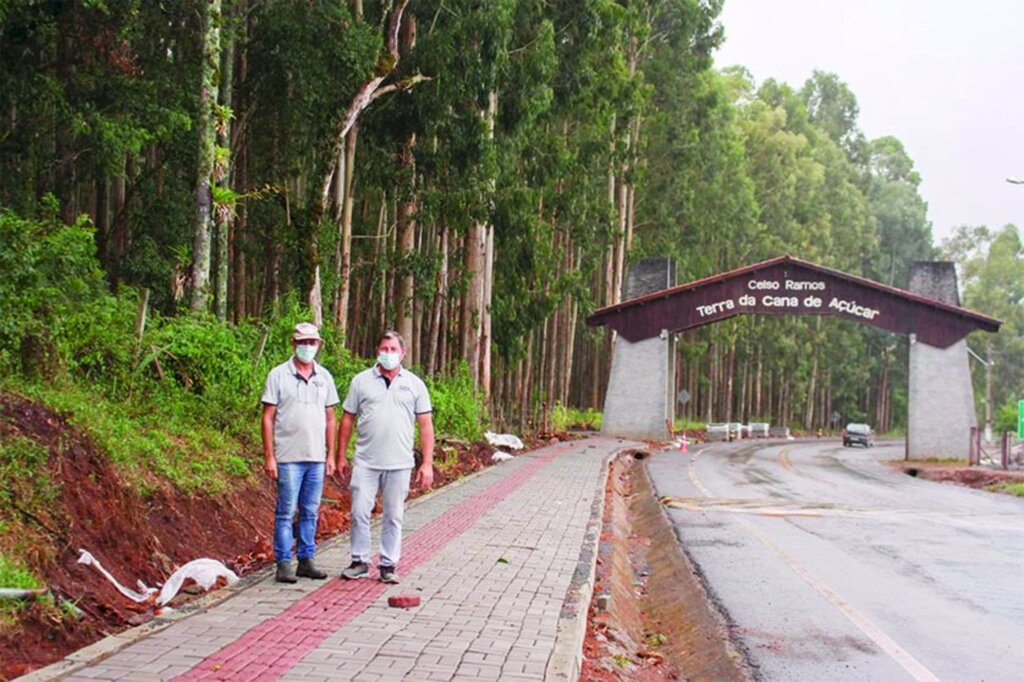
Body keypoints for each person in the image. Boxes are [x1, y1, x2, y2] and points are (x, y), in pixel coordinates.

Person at [335, 330, 434, 584]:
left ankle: (388, 564)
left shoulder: (414, 385)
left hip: (400, 463)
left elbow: (425, 425)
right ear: (377, 351)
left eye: (393, 350)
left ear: (403, 353)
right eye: (384, 349)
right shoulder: (361, 381)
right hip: (366, 461)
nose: (388, 354)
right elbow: (347, 418)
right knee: (359, 511)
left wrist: (427, 463)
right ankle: (359, 560)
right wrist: (341, 455)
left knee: (394, 515)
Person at [261, 322, 339, 583]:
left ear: (318, 345)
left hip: (316, 458)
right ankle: (284, 562)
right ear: (294, 344)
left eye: (312, 342)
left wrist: (330, 454)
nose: (308, 347)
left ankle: (306, 559)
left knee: (310, 510)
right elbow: (268, 417)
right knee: (285, 511)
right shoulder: (278, 375)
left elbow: (330, 418)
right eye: (303, 342)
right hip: (288, 457)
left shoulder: (324, 377)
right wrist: (270, 456)